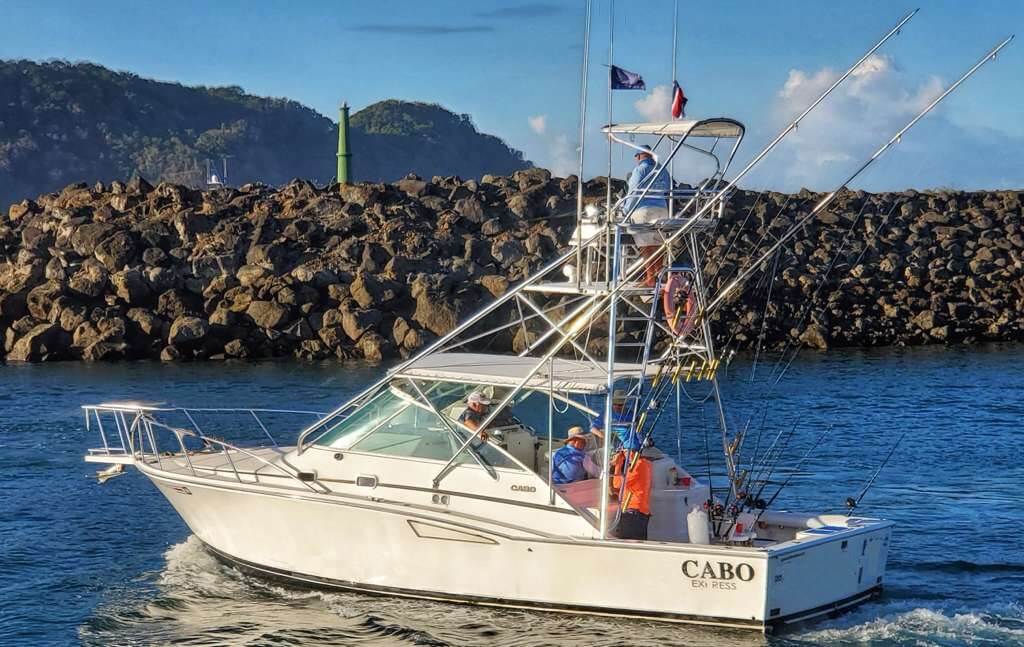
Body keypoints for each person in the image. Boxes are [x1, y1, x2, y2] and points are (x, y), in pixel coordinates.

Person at [622, 145, 670, 287]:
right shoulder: (662, 169)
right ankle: (659, 276)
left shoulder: (640, 169)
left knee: (646, 245)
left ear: (639, 156)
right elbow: (667, 188)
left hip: (644, 210)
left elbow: (634, 192)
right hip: (662, 209)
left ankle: (650, 278)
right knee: (658, 244)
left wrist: (626, 210)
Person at [609, 444, 654, 540]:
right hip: (641, 512)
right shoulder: (646, 464)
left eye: (625, 451)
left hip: (633, 512)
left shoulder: (637, 466)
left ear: (632, 452)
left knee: (627, 541)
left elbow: (617, 484)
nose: (624, 455)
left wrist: (618, 464)